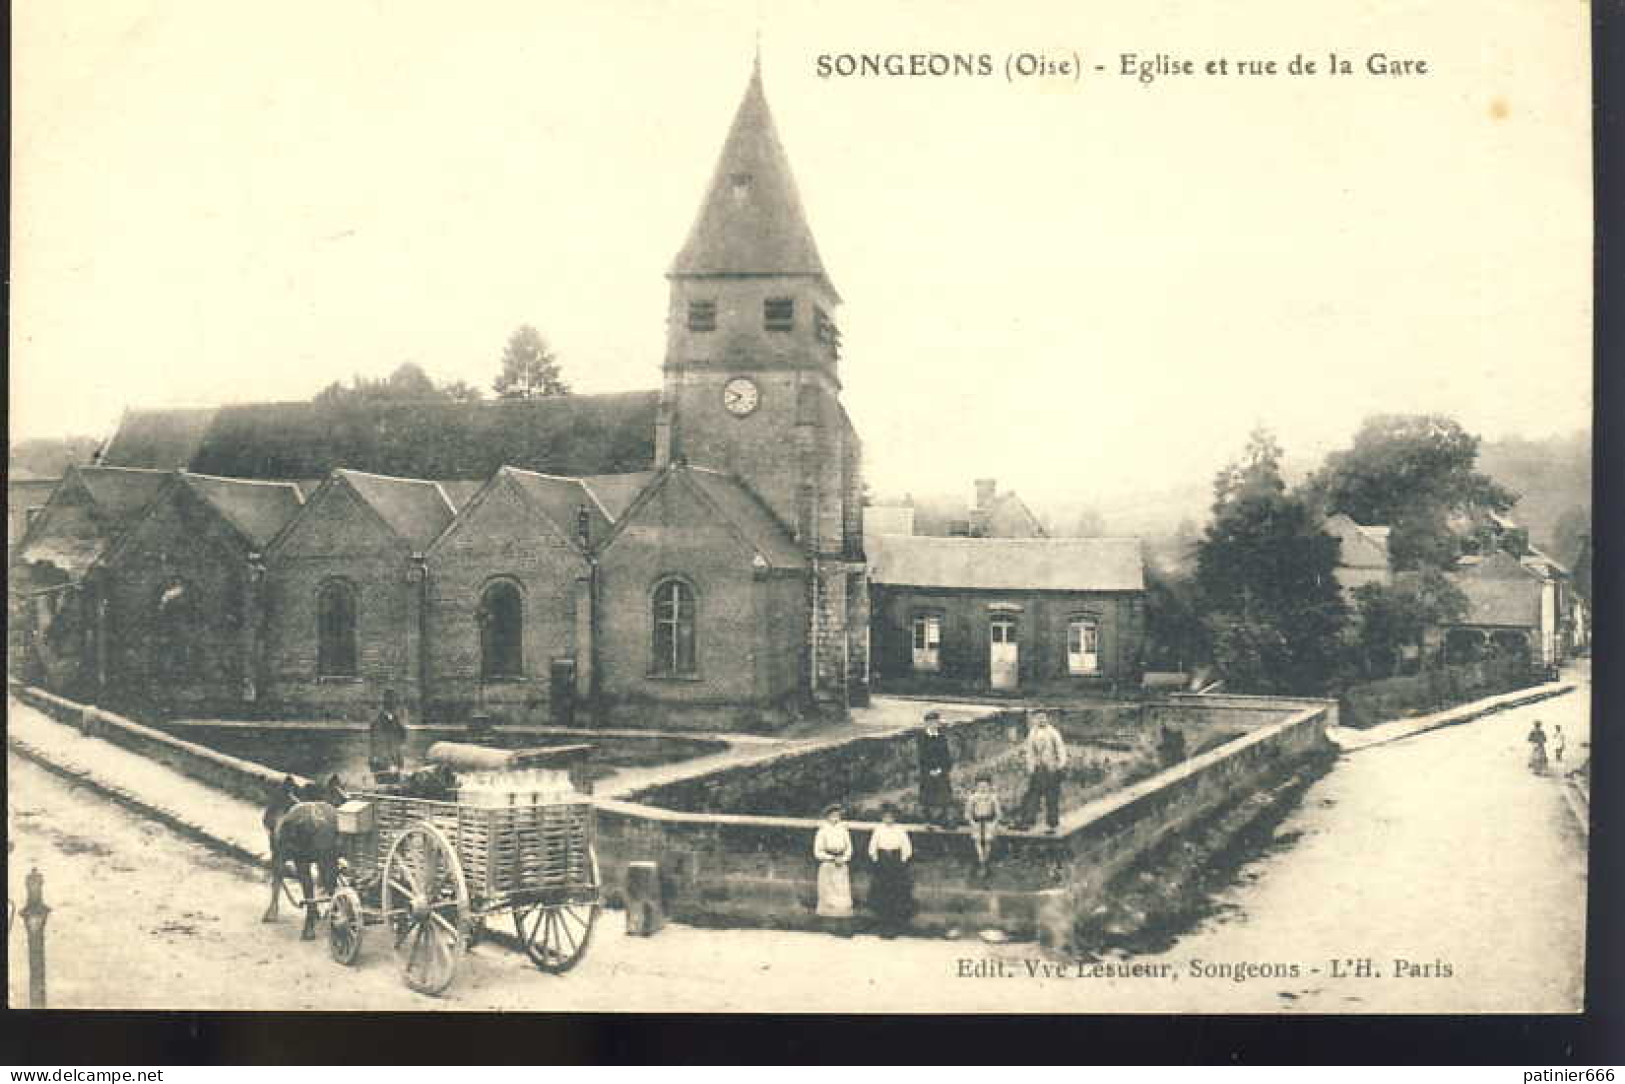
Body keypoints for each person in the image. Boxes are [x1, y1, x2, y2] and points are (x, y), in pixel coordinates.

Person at [867, 803, 915, 938]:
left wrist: (903, 860)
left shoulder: (900, 830)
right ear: (882, 818)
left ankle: (895, 926)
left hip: (896, 862)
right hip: (882, 861)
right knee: (882, 892)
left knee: (896, 893)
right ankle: (882, 925)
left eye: (891, 817)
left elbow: (906, 847)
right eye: (885, 817)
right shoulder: (878, 830)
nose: (888, 820)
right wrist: (876, 859)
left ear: (894, 818)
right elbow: (872, 846)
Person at [1016, 710, 1068, 833]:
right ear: (1034, 719)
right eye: (1038, 718)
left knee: (1052, 797)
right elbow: (1029, 751)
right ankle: (1029, 821)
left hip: (1051, 769)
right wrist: (1031, 766)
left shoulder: (1053, 733)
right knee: (1033, 795)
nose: (1041, 720)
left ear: (1047, 719)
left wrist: (1060, 765)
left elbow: (1061, 749)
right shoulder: (1032, 733)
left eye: (1043, 717)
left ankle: (1052, 824)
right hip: (1038, 770)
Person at [813, 803, 854, 935]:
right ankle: (831, 926)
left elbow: (849, 848)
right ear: (827, 817)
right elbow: (817, 851)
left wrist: (843, 858)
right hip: (829, 864)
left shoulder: (843, 831)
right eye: (832, 816)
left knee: (842, 893)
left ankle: (843, 925)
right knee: (829, 894)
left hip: (841, 864)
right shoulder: (822, 831)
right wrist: (831, 858)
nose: (835, 818)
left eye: (837, 816)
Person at [917, 712, 955, 828]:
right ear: (926, 724)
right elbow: (922, 756)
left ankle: (944, 819)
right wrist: (930, 770)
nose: (934, 724)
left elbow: (946, 756)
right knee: (928, 796)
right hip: (927, 771)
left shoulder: (942, 737)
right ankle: (928, 820)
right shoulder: (922, 738)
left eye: (936, 722)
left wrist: (942, 769)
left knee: (944, 795)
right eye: (931, 722)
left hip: (941, 771)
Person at [963, 773, 1002, 878]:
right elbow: (968, 813)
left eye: (985, 786)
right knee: (978, 841)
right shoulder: (973, 798)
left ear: (990, 786)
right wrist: (971, 821)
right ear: (976, 786)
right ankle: (980, 860)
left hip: (989, 822)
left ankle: (985, 860)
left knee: (988, 841)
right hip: (977, 822)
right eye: (980, 787)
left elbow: (998, 814)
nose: (983, 789)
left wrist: (994, 823)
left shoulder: (993, 798)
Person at [369, 689, 407, 778]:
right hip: (382, 766)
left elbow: (400, 742)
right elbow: (379, 746)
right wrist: (389, 764)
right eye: (395, 704)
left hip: (395, 765)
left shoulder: (396, 721)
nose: (397, 708)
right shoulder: (378, 723)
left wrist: (399, 764)